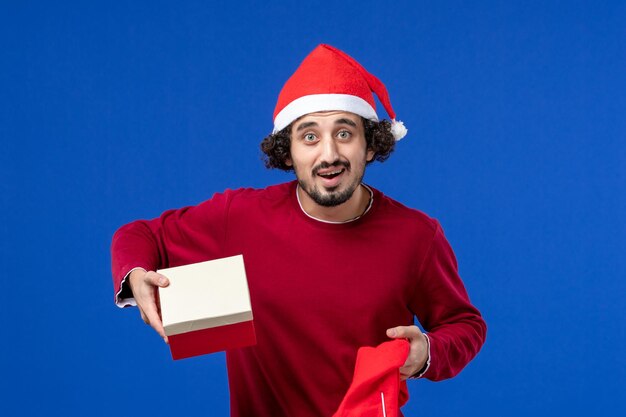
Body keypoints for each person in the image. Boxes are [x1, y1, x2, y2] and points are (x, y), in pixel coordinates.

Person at [111, 44, 486, 417]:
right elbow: (140, 235)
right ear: (286, 152)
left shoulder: (416, 235)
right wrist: (136, 276)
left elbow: (465, 325)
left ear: (370, 145)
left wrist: (426, 352)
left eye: (344, 133)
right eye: (309, 137)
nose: (328, 154)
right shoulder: (240, 217)